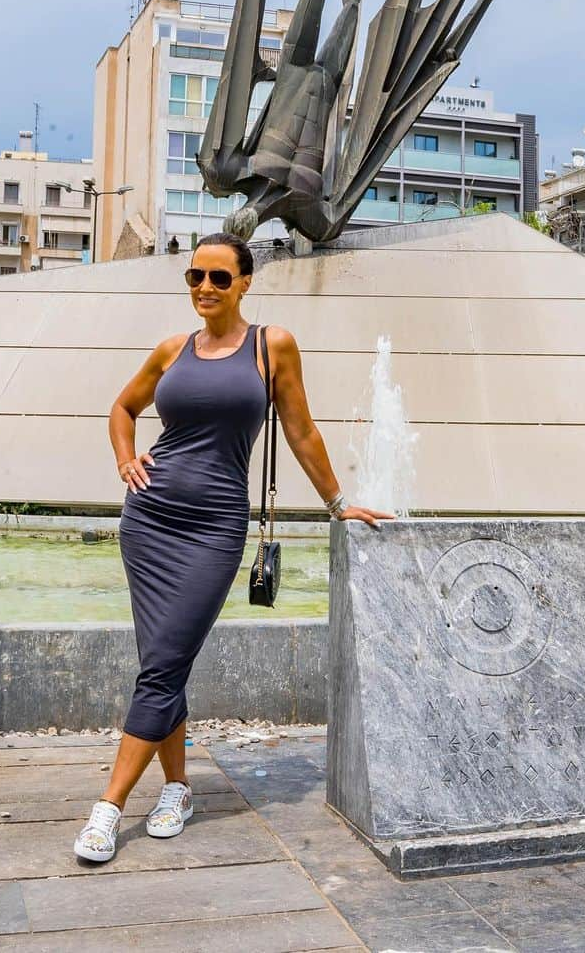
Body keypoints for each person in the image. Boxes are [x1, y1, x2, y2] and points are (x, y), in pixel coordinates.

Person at [74, 232, 392, 861]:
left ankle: (107, 809)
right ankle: (176, 789)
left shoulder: (271, 346)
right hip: (150, 521)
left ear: (246, 283)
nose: (205, 289)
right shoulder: (171, 350)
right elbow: (122, 406)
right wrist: (123, 459)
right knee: (162, 662)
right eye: (196, 276)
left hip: (215, 529)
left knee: (164, 661)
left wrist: (337, 505)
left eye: (220, 278)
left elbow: (300, 430)